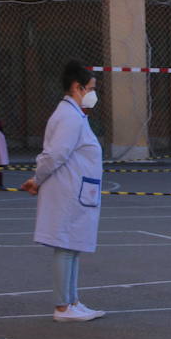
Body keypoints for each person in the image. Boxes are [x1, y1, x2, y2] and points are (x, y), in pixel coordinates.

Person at [21, 61, 105, 323]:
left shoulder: (74, 115)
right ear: (77, 87)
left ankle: (72, 301)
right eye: (90, 88)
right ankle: (62, 306)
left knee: (73, 247)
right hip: (68, 191)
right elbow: (55, 154)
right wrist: (37, 180)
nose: (93, 93)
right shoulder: (68, 117)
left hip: (76, 190)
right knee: (66, 246)